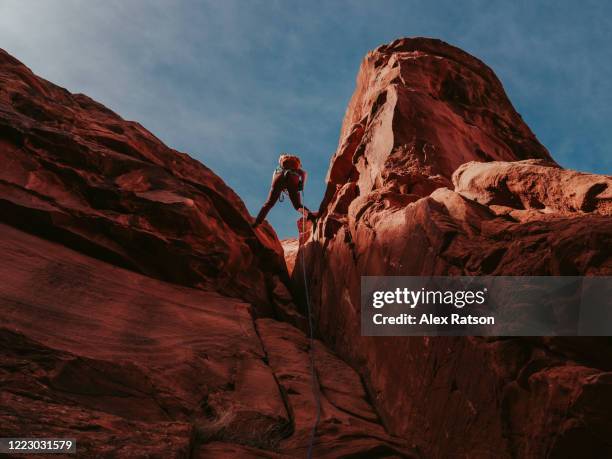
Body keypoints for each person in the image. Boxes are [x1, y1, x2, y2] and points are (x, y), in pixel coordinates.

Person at [252, 153, 317, 228]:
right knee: (298, 205)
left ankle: (257, 222)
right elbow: (303, 173)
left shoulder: (278, 168)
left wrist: (279, 188)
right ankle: (309, 215)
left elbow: (274, 180)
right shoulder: (295, 168)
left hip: (278, 177)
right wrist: (301, 185)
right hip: (293, 177)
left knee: (269, 203)